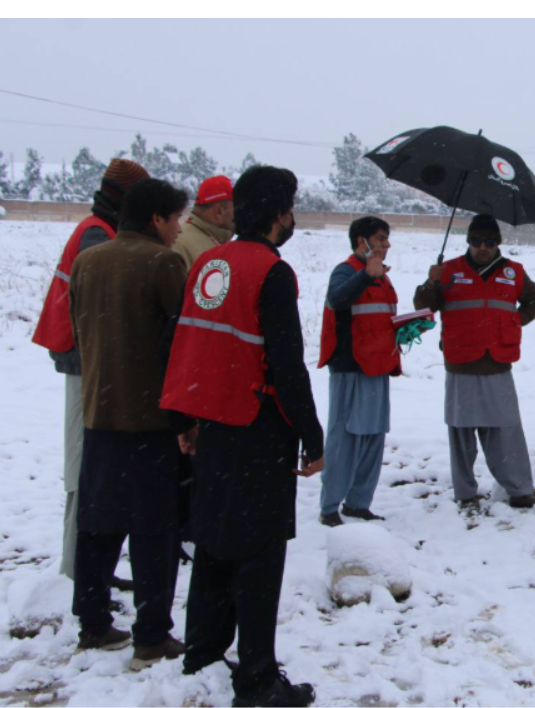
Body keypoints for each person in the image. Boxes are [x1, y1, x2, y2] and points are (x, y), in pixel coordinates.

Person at [162, 166, 323, 708]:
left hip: (213, 430)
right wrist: (312, 435)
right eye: (291, 208)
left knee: (212, 545)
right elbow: (286, 364)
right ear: (280, 214)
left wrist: (185, 419)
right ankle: (256, 679)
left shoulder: (211, 263)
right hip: (258, 431)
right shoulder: (272, 272)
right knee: (258, 557)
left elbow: (186, 344)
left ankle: (202, 654)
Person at [68, 178, 189, 670]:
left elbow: (79, 326)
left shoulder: (87, 260)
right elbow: (182, 341)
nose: (180, 227)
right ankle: (152, 635)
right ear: (157, 219)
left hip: (99, 412)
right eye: (177, 218)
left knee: (97, 526)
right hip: (151, 418)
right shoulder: (162, 263)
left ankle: (93, 622)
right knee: (154, 530)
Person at [31, 157, 149, 582]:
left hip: (85, 356)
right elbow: (100, 306)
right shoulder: (97, 234)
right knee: (84, 461)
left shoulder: (97, 228)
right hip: (86, 360)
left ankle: (84, 565)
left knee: (89, 460)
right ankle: (78, 567)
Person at [413, 214, 535, 508]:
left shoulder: (514, 272)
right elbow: (423, 307)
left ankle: (519, 489)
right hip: (461, 363)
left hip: (498, 363)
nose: (482, 247)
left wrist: (514, 322)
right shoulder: (447, 271)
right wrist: (430, 283)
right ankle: (466, 493)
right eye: (476, 241)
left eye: (489, 241)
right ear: (467, 241)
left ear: (498, 243)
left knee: (506, 430)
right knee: (461, 434)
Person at [317, 216, 398, 527]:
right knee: (345, 439)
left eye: (387, 239)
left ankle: (358, 503)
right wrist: (365, 275)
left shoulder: (383, 277)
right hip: (350, 369)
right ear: (361, 242)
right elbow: (337, 300)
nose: (386, 244)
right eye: (380, 238)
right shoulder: (347, 270)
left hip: (378, 367)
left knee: (373, 438)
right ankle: (330, 508)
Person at [171, 175, 235, 270]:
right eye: (235, 209)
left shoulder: (220, 239)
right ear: (219, 211)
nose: (239, 215)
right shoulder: (181, 244)